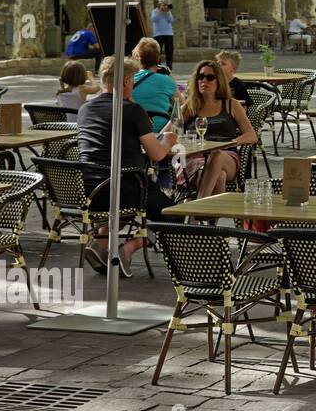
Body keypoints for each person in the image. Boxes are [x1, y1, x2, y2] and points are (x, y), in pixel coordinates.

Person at [76, 55, 178, 276]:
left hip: (89, 189)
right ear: (125, 82)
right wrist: (168, 139)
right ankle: (128, 249)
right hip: (126, 188)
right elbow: (157, 154)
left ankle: (100, 244)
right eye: (131, 80)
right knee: (174, 214)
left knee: (122, 204)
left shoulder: (85, 109)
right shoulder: (132, 110)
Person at [178, 60, 258, 200]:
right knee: (219, 177)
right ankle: (209, 220)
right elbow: (168, 132)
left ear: (219, 81)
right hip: (196, 158)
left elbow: (252, 136)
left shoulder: (231, 105)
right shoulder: (189, 108)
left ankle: (196, 210)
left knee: (217, 155)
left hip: (226, 157)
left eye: (210, 77)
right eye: (200, 77)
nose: (204, 81)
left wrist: (230, 143)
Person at [130, 37, 178, 134]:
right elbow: (182, 107)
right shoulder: (166, 80)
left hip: (135, 131)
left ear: (137, 58)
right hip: (162, 132)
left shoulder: (129, 81)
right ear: (158, 58)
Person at [152, 0, 175, 69]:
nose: (164, 5)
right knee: (158, 51)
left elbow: (171, 20)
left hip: (168, 33)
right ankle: (158, 66)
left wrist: (167, 12)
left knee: (169, 51)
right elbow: (154, 19)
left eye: (165, 4)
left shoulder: (168, 11)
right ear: (159, 4)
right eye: (163, 4)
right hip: (158, 34)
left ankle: (169, 67)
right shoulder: (155, 11)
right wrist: (160, 12)